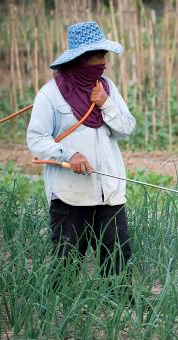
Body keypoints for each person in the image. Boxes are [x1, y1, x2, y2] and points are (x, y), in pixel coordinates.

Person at [26, 21, 135, 290]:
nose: (103, 63)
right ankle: (57, 315)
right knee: (67, 262)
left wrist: (105, 104)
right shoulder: (50, 95)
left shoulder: (107, 88)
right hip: (70, 195)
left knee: (118, 258)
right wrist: (68, 154)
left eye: (104, 56)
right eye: (98, 56)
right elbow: (36, 140)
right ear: (80, 59)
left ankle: (121, 308)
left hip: (109, 191)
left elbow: (127, 129)